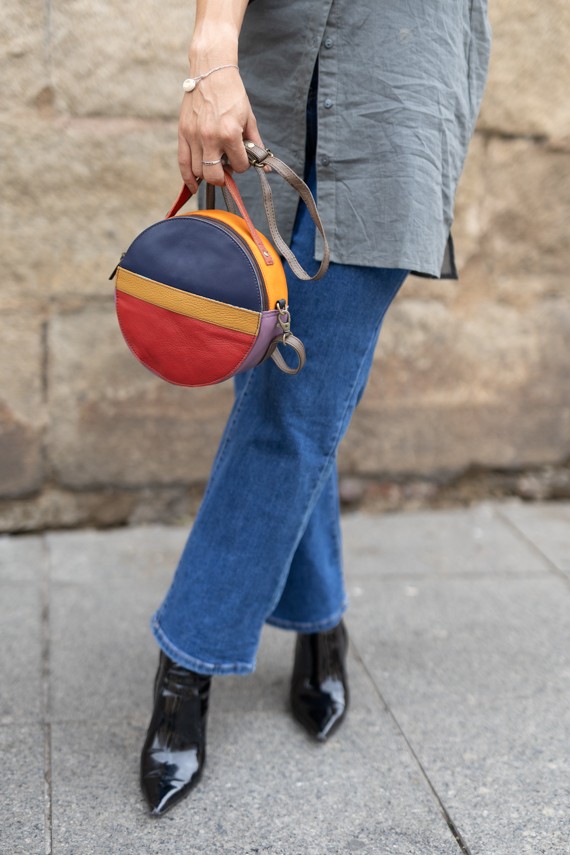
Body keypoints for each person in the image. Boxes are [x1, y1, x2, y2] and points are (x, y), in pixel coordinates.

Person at [139, 0, 491, 817]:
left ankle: (186, 666)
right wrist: (211, 49)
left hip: (406, 72)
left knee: (299, 394)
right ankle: (320, 617)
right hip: (268, 65)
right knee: (273, 374)